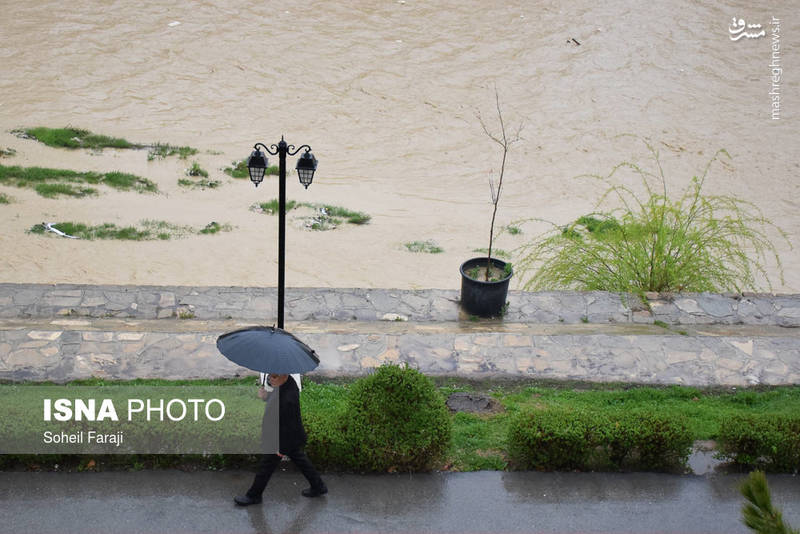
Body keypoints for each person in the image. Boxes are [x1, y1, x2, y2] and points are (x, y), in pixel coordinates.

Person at [234, 373, 328, 506]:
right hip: (288, 437)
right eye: (270, 376)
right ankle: (318, 486)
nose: (270, 379)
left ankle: (254, 495)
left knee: (266, 466)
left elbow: (288, 425)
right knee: (300, 460)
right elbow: (275, 398)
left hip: (282, 438)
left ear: (284, 376)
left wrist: (281, 448)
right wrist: (266, 397)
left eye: (274, 377)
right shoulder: (286, 383)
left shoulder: (287, 400)